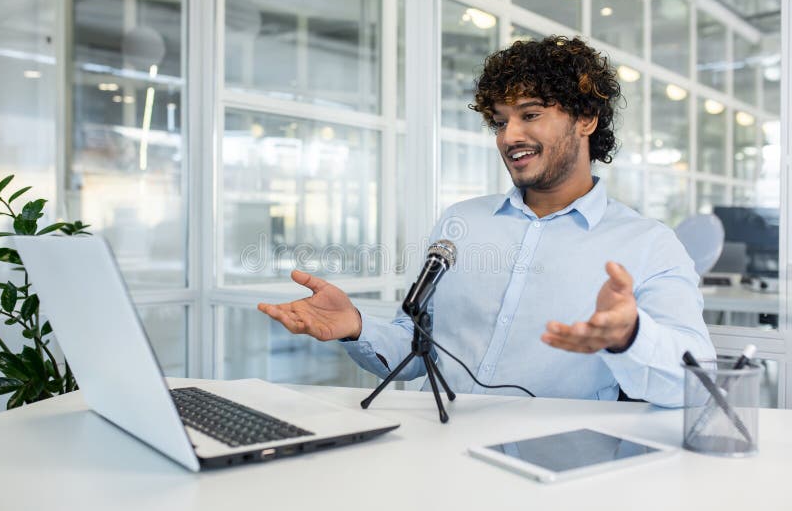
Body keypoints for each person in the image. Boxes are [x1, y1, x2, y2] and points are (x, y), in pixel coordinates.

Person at [258, 35, 715, 408]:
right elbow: (416, 351)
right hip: (438, 450)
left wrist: (629, 336)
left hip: (554, 467)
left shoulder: (648, 244)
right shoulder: (462, 222)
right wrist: (356, 324)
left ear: (587, 119)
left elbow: (698, 382)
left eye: (530, 114)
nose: (509, 136)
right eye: (499, 121)